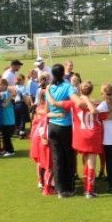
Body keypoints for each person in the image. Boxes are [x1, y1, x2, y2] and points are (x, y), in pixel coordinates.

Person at [47, 64, 77, 197]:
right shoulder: (67, 87)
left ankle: (59, 189)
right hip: (65, 125)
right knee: (68, 157)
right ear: (63, 74)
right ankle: (69, 188)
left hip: (52, 125)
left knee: (57, 158)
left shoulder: (51, 88)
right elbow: (76, 101)